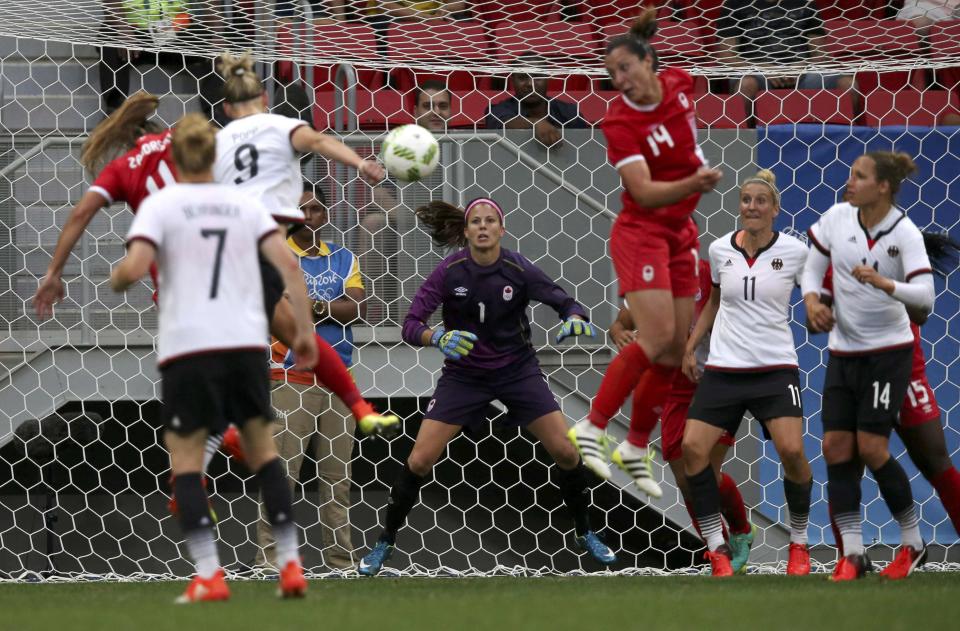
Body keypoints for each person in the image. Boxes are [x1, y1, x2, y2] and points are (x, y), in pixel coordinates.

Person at [109, 113, 317, 602]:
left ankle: (209, 575)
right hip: (246, 342)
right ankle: (290, 565)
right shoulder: (244, 206)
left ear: (176, 157)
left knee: (184, 465)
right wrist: (304, 332)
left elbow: (135, 269)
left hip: (190, 347)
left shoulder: (162, 205)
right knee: (265, 456)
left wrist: (118, 276)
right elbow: (289, 266)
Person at [356, 197, 616, 576]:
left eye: (489, 220)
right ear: (465, 230)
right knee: (419, 460)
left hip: (518, 372)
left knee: (566, 451)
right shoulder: (450, 271)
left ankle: (583, 531)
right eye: (475, 221)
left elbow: (564, 301)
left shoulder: (518, 267)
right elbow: (411, 323)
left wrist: (575, 316)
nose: (482, 226)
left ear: (501, 228)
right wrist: (436, 337)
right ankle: (385, 541)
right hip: (465, 376)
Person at [567, 9, 723, 493]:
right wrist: (693, 180)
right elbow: (647, 191)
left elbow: (654, 53)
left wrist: (644, 31)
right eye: (612, 74)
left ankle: (635, 445)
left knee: (676, 350)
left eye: (625, 68)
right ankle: (591, 427)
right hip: (643, 232)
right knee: (653, 342)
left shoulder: (680, 83)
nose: (619, 80)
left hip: (681, 233)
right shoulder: (618, 122)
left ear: (649, 63)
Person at [211, 51, 399, 438]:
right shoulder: (279, 127)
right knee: (301, 334)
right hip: (271, 243)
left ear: (227, 109)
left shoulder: (221, 140)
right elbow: (319, 141)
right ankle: (359, 406)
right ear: (265, 101)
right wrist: (361, 165)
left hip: (235, 248)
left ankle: (227, 425)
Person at [801, 151, 934, 581]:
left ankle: (912, 544)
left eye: (859, 176)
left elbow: (925, 300)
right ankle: (854, 556)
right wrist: (812, 301)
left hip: (889, 353)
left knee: (873, 448)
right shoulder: (838, 217)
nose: (849, 181)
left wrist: (886, 283)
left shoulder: (905, 234)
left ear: (883, 187)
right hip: (843, 353)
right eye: (851, 174)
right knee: (835, 448)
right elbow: (812, 267)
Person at [681, 170, 813, 577]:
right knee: (692, 451)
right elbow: (714, 303)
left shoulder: (795, 251)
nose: (751, 207)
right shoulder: (720, 249)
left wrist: (823, 312)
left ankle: (799, 543)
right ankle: (718, 550)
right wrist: (691, 345)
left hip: (775, 368)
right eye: (745, 200)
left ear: (774, 209)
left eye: (760, 201)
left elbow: (813, 297)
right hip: (724, 369)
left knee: (792, 452)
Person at [610, 259, 754, 574]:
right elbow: (622, 323)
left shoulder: (713, 276)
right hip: (674, 391)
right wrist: (620, 333)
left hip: (714, 384)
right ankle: (719, 549)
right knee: (686, 481)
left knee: (706, 475)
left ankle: (740, 532)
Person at [821, 231, 960, 555]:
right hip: (855, 374)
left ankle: (911, 543)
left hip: (904, 371)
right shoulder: (835, 252)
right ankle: (850, 558)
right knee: (843, 461)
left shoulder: (901, 249)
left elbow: (920, 312)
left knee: (935, 462)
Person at [254, 181, 366, 571]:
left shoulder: (344, 257)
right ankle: (270, 561)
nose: (309, 215)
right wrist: (329, 306)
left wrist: (311, 304)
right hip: (290, 376)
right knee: (284, 475)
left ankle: (341, 561)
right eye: (301, 209)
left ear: (326, 215)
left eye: (316, 208)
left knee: (337, 479)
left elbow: (357, 309)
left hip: (338, 380)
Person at [715, 0, 854, 119]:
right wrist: (761, 68)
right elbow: (725, 56)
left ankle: (852, 140)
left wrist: (803, 66)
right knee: (746, 85)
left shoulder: (805, 3)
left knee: (848, 83)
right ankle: (746, 138)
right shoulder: (735, 4)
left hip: (803, 72)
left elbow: (821, 53)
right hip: (756, 71)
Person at [98, 0, 224, 118]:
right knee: (107, 35)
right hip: (135, 35)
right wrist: (123, 28)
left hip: (177, 32)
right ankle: (115, 115)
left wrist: (217, 33)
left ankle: (217, 115)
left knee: (228, 41)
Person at [485, 53, 589, 146]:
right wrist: (535, 123)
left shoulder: (570, 113)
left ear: (547, 78)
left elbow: (585, 147)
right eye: (522, 77)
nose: (530, 84)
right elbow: (503, 122)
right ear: (512, 81)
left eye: (537, 76)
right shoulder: (497, 110)